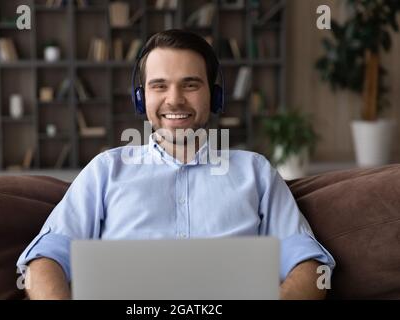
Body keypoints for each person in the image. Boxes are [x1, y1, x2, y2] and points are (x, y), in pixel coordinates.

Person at [17, 29, 335, 300]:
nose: (175, 99)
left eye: (191, 84)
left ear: (215, 96)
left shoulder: (256, 172)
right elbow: (45, 259)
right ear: (142, 99)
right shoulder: (106, 170)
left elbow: (310, 264)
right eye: (160, 86)